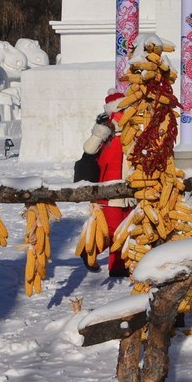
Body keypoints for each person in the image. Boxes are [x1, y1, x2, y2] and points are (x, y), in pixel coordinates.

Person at [81, 91, 135, 277]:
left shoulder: (132, 134)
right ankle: (89, 251)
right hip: (107, 188)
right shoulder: (104, 133)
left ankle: (118, 267)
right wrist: (100, 133)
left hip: (128, 190)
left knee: (125, 229)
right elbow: (88, 150)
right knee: (113, 230)